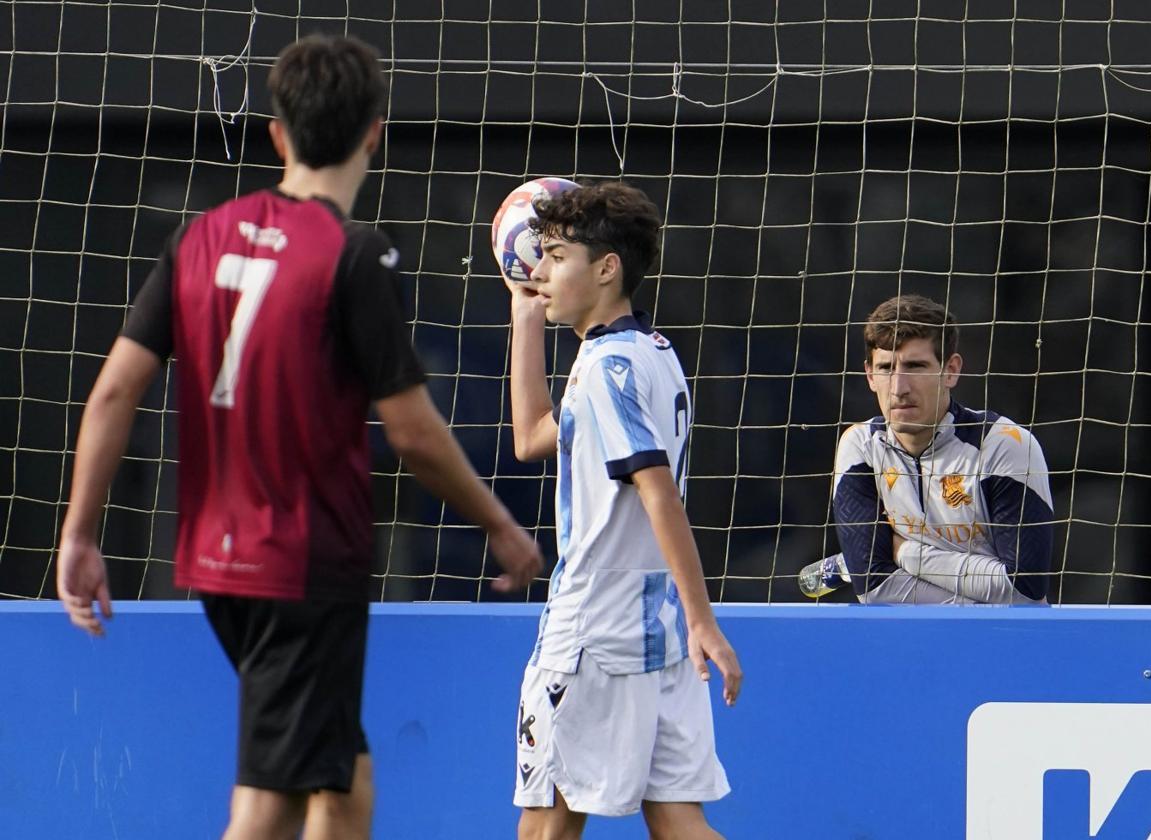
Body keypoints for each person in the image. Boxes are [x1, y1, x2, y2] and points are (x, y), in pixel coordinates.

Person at [56, 34, 542, 840]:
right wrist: (499, 524)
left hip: (216, 561)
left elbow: (113, 391)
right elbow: (414, 432)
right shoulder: (354, 256)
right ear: (373, 133)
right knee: (268, 806)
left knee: (339, 783)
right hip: (301, 566)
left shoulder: (200, 237)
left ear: (278, 135)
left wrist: (78, 532)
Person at [504, 181, 742, 839]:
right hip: (656, 634)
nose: (541, 271)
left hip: (594, 633)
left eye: (556, 256)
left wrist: (705, 621)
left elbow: (658, 491)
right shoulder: (651, 353)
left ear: (607, 269)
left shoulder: (607, 368)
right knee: (677, 822)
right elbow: (532, 438)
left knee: (545, 824)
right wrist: (526, 322)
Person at [829, 294, 1054, 604]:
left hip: (1005, 644)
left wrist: (904, 552)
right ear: (870, 375)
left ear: (951, 370)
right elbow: (873, 588)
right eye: (885, 368)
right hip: (909, 645)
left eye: (915, 366)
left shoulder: (1003, 444)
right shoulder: (861, 445)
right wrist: (979, 600)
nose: (899, 388)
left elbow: (1022, 591)